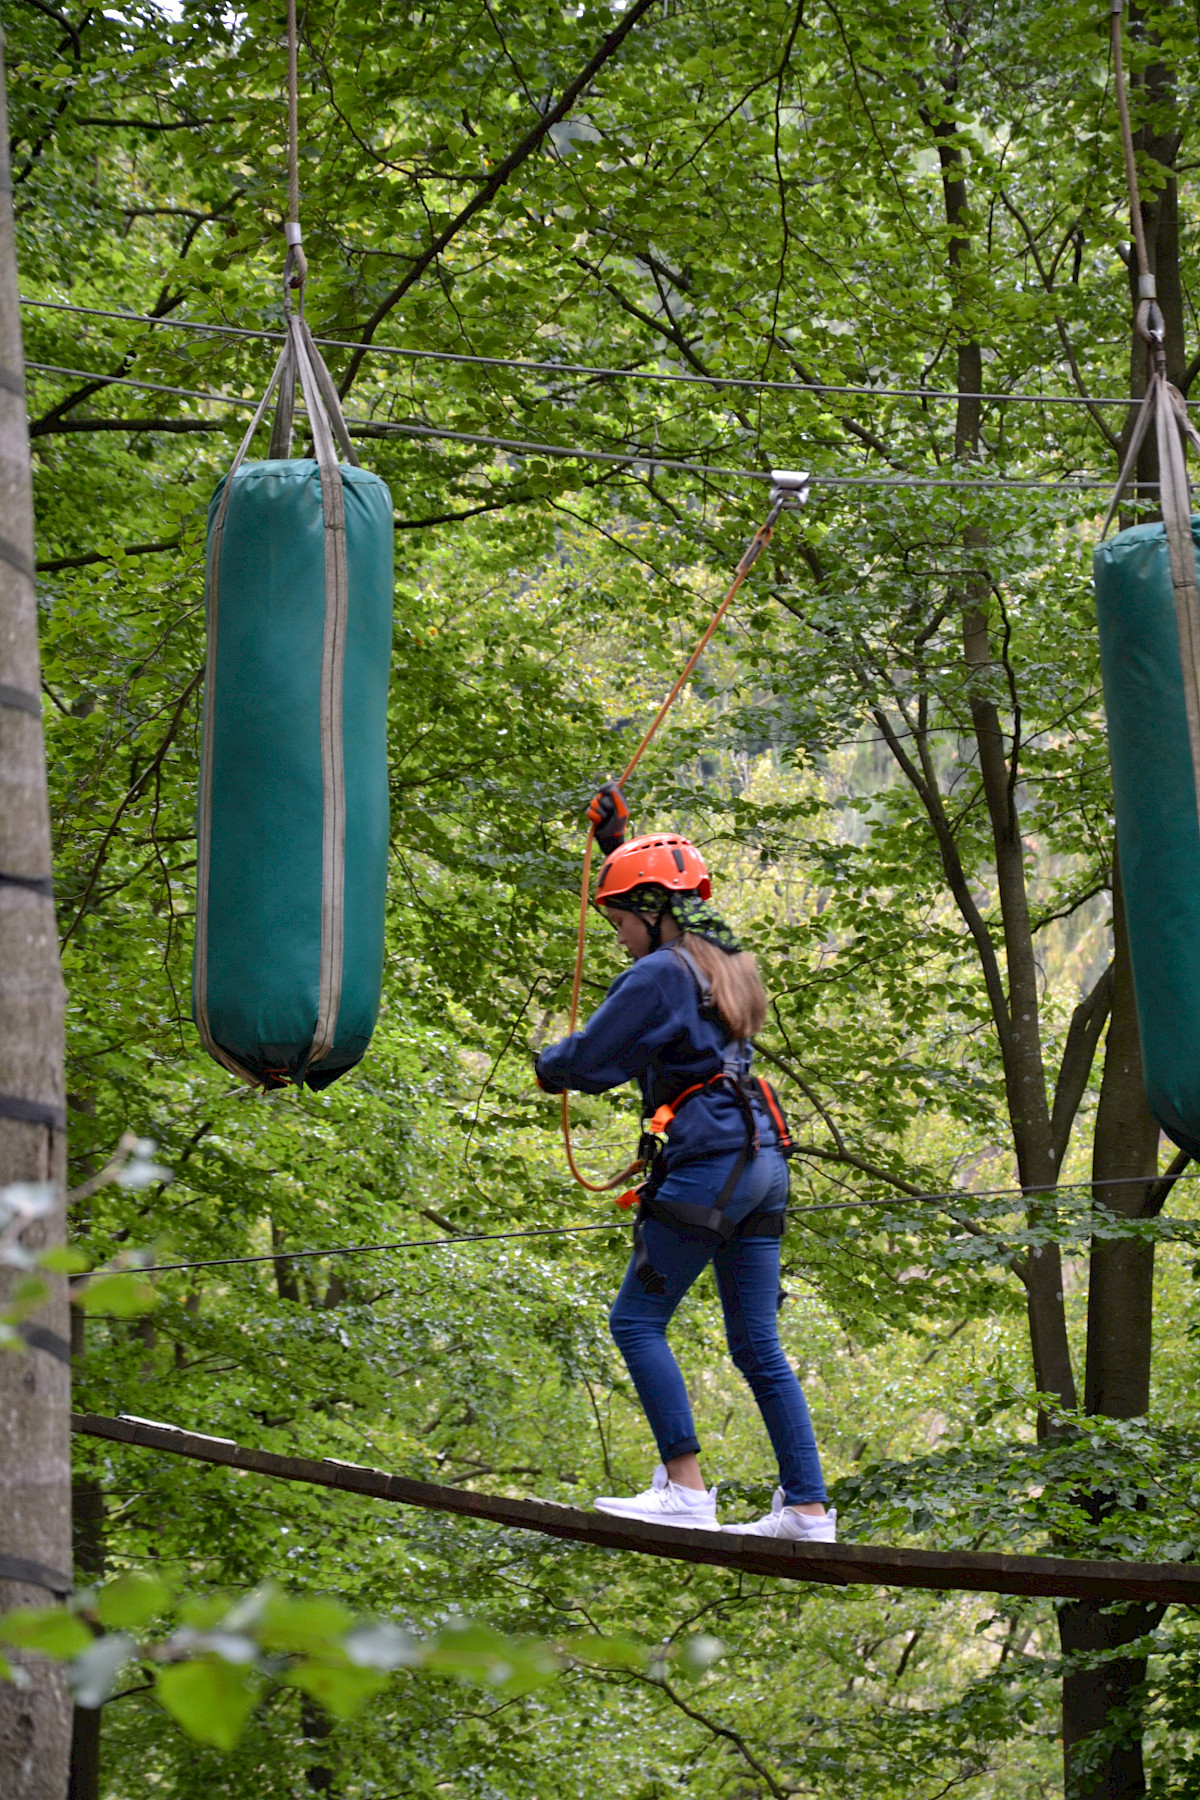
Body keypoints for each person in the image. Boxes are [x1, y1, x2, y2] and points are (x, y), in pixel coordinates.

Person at [533, 784, 835, 1542]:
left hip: (709, 1163)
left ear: (652, 913)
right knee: (756, 1343)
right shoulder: (726, 960)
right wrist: (619, 845)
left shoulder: (658, 973)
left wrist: (551, 1065)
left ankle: (686, 1488)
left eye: (622, 920)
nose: (619, 937)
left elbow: (595, 1058)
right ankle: (806, 1508)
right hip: (763, 1159)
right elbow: (687, 905)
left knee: (635, 1321)